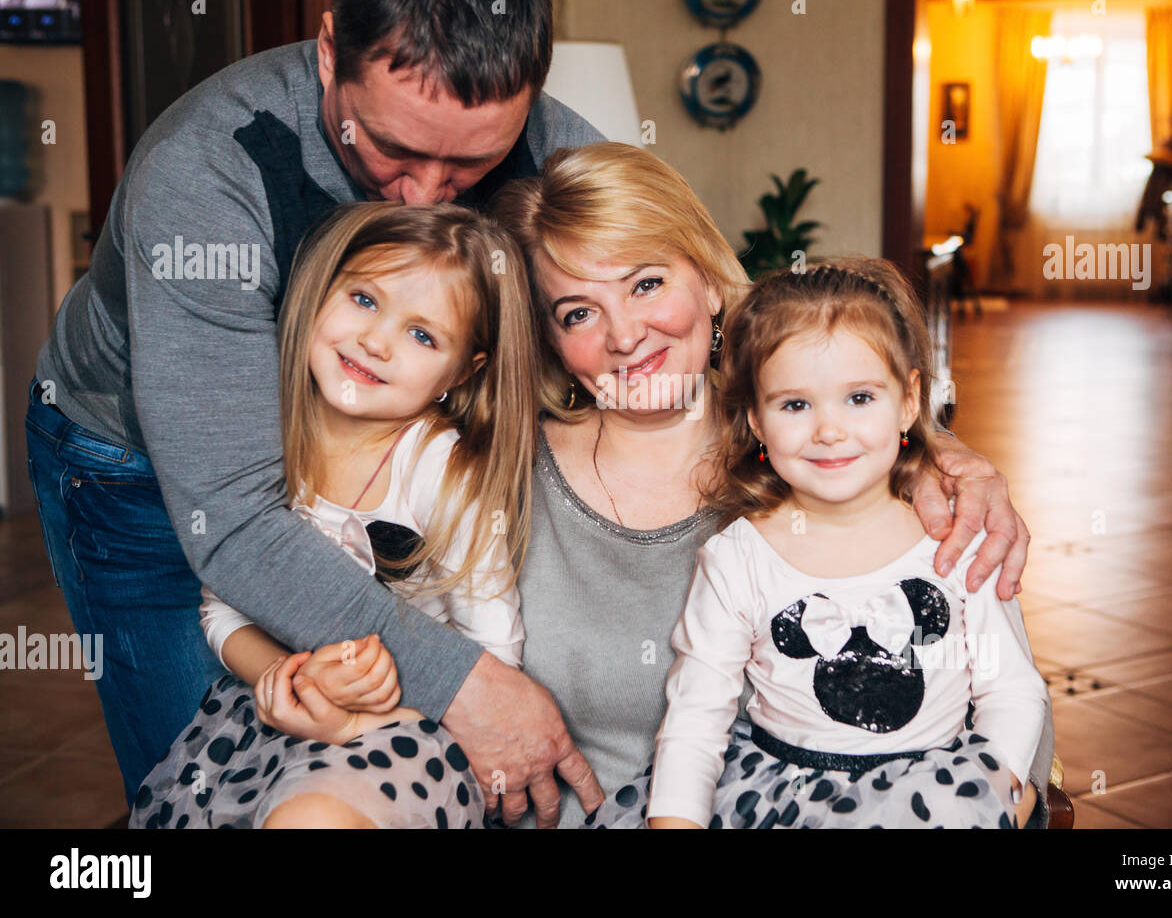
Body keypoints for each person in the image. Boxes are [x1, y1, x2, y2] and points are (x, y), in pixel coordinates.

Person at [25, 0, 604, 819]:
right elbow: (234, 521)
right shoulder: (203, 173)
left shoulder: (556, 146)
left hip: (380, 470)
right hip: (144, 469)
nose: (424, 195)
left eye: (471, 164)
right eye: (395, 149)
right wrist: (467, 689)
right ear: (332, 53)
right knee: (197, 780)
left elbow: (676, 297)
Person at [492, 143, 1047, 829]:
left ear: (706, 276)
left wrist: (994, 792)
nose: (625, 335)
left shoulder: (870, 479)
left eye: (645, 284)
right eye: (577, 312)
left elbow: (1013, 716)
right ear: (546, 339)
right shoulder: (497, 471)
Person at [583, 258, 1049, 829]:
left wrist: (994, 790)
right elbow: (696, 718)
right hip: (780, 794)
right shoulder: (737, 557)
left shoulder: (956, 539)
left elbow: (1013, 688)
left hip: (929, 795)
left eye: (859, 398)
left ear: (909, 400)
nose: (829, 430)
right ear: (756, 419)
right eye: (796, 405)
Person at [131, 201, 542, 828]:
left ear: (461, 372)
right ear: (322, 290)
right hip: (267, 726)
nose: (374, 341)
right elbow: (222, 605)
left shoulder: (442, 470)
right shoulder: (261, 436)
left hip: (410, 740)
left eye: (422, 334)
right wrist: (286, 678)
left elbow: (493, 666)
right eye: (365, 300)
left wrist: (356, 720)